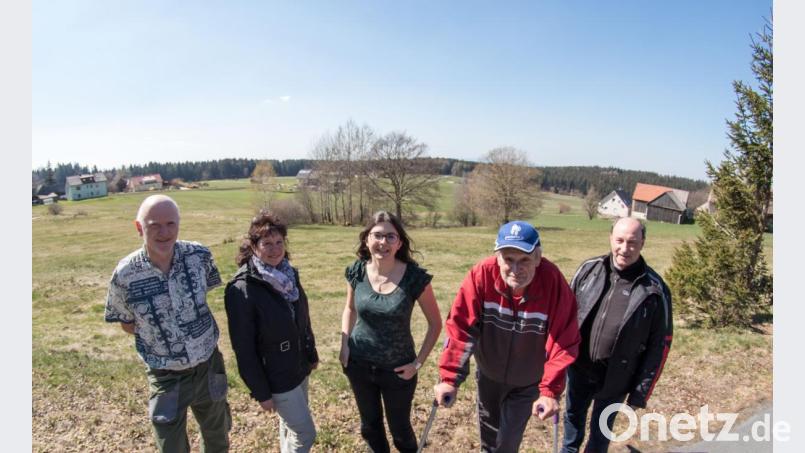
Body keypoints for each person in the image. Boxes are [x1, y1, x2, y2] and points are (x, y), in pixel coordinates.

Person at [433, 220, 581, 453]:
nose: (515, 268)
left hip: (527, 382)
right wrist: (449, 377)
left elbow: (564, 340)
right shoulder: (481, 274)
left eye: (524, 260)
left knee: (507, 444)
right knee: (488, 440)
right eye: (508, 259)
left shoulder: (553, 283)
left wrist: (549, 391)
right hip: (489, 375)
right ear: (498, 257)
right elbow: (461, 326)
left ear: (538, 257)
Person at [104, 194, 230, 453]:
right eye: (154, 225)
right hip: (165, 375)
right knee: (170, 446)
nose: (164, 232)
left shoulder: (199, 256)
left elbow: (206, 292)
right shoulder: (125, 275)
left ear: (179, 224)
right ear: (139, 228)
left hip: (208, 365)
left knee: (217, 436)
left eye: (171, 224)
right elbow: (128, 324)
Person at [562, 217, 673, 453]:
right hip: (579, 371)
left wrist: (640, 392)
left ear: (643, 243)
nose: (625, 248)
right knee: (571, 428)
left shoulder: (655, 289)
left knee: (600, 437)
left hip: (616, 380)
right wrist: (557, 363)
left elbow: (660, 345)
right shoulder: (588, 269)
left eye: (632, 242)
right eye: (620, 240)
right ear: (610, 238)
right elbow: (565, 318)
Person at [339, 211, 442, 453]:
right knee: (370, 427)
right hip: (359, 365)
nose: (383, 242)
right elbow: (349, 308)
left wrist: (417, 364)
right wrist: (344, 345)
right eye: (377, 235)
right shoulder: (356, 272)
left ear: (399, 243)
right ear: (366, 239)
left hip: (398, 370)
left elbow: (436, 325)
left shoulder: (415, 278)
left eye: (390, 236)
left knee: (401, 432)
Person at [224, 211, 319, 453]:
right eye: (267, 243)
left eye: (279, 242)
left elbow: (302, 318)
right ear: (254, 246)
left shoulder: (289, 273)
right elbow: (243, 348)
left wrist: (311, 352)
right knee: (305, 433)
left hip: (299, 366)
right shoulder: (242, 288)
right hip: (276, 376)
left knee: (290, 426)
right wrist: (261, 391)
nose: (275, 249)